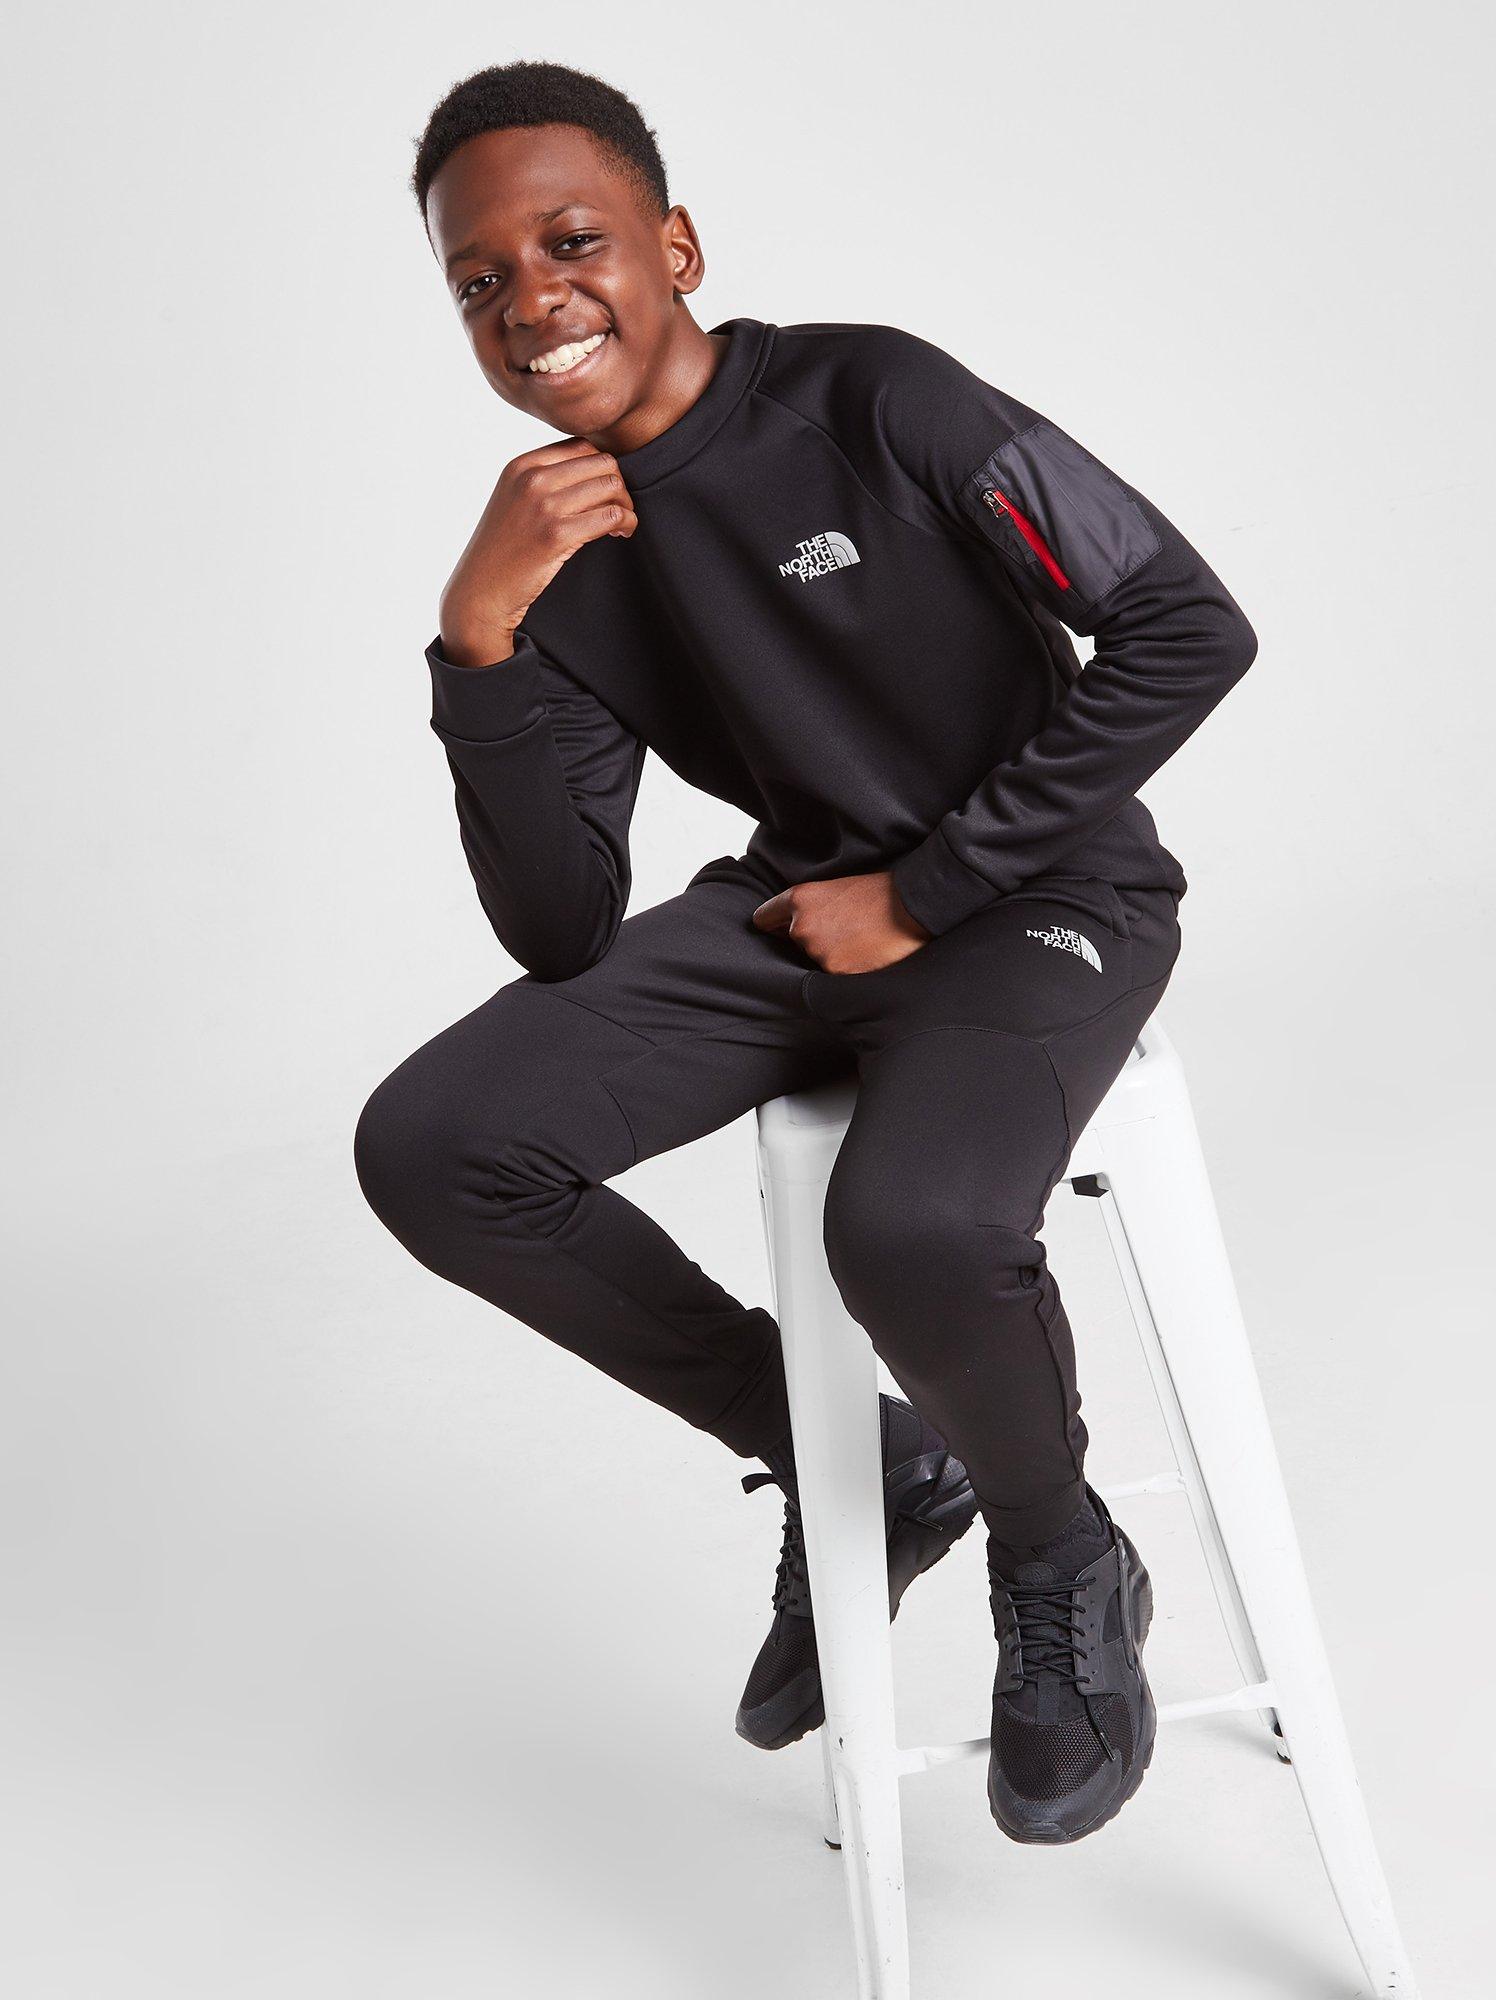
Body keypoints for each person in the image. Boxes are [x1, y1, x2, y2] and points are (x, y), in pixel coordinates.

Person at [353, 57, 1258, 1846]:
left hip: (1047, 896)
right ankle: (855, 1450)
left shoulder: (873, 396)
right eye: (478, 279)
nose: (530, 298)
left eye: (572, 242)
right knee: (440, 1148)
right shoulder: (559, 547)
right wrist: (480, 638)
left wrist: (931, 888)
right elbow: (558, 925)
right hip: (797, 911)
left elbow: (1183, 622)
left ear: (675, 248)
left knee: (906, 1229)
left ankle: (1063, 1559)